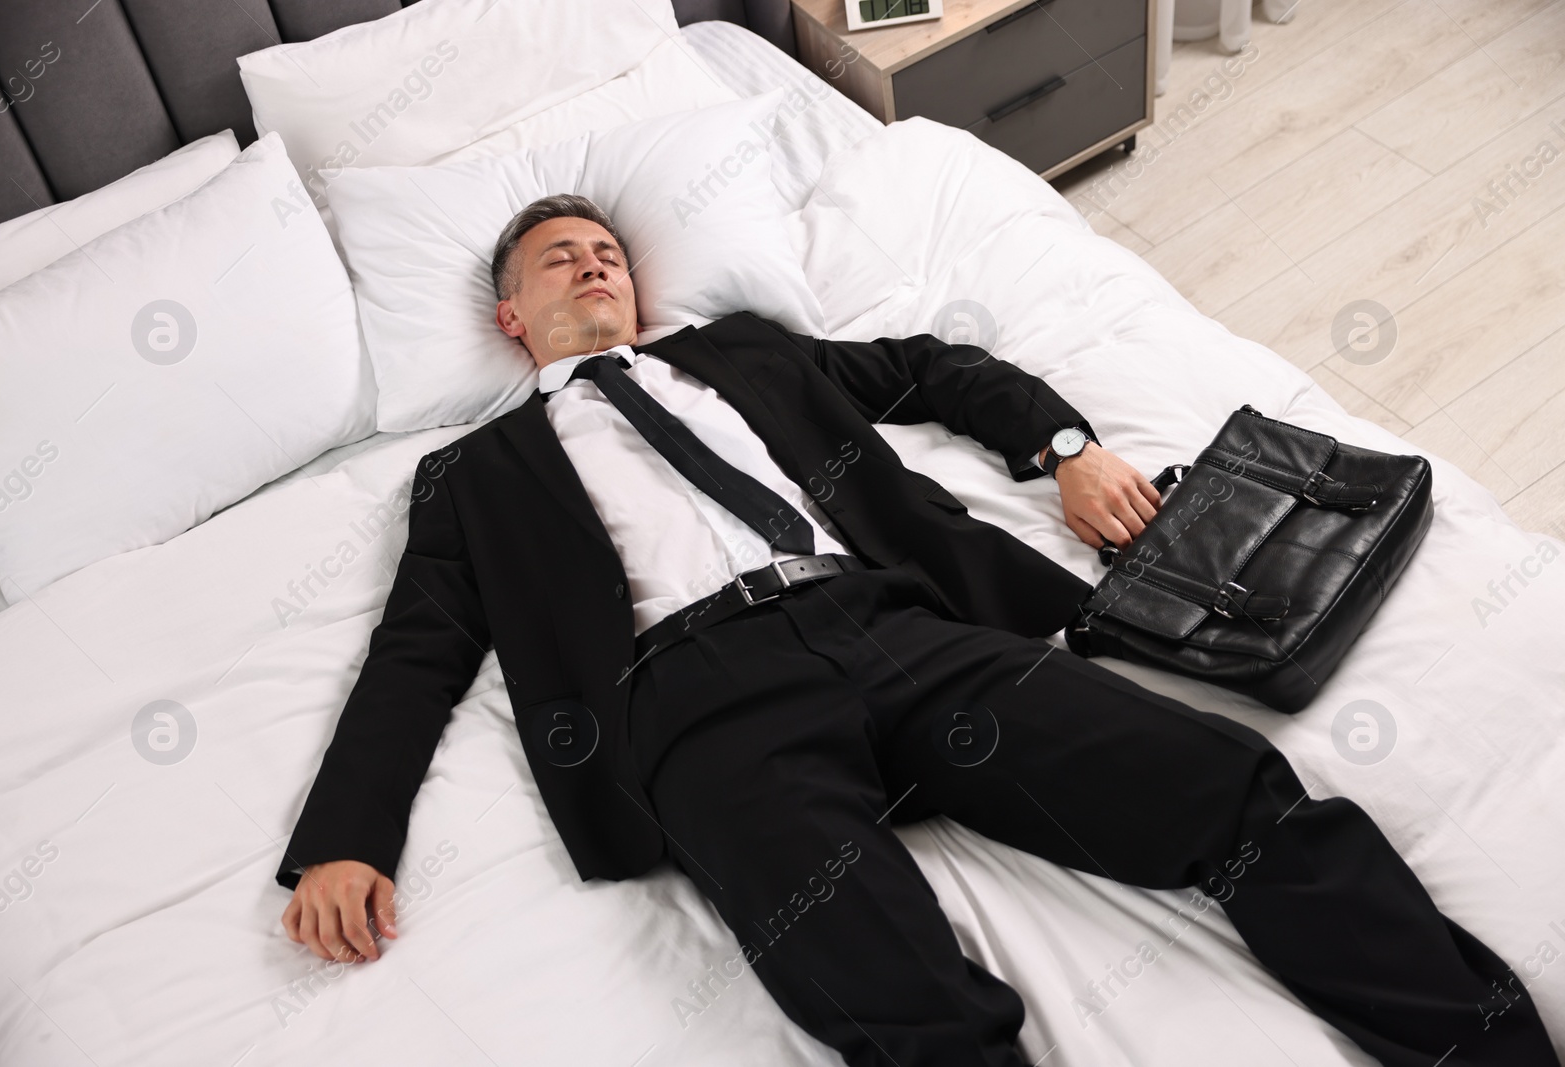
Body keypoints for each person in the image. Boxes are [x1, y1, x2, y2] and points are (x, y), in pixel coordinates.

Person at [276, 194, 1558, 1067]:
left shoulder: (744, 353)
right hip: (704, 709)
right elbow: (417, 650)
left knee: (1232, 795)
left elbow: (934, 366)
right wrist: (344, 838)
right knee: (890, 991)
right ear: (512, 318)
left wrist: (1059, 447)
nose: (592, 264)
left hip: (893, 628)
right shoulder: (472, 474)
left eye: (605, 248)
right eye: (558, 259)